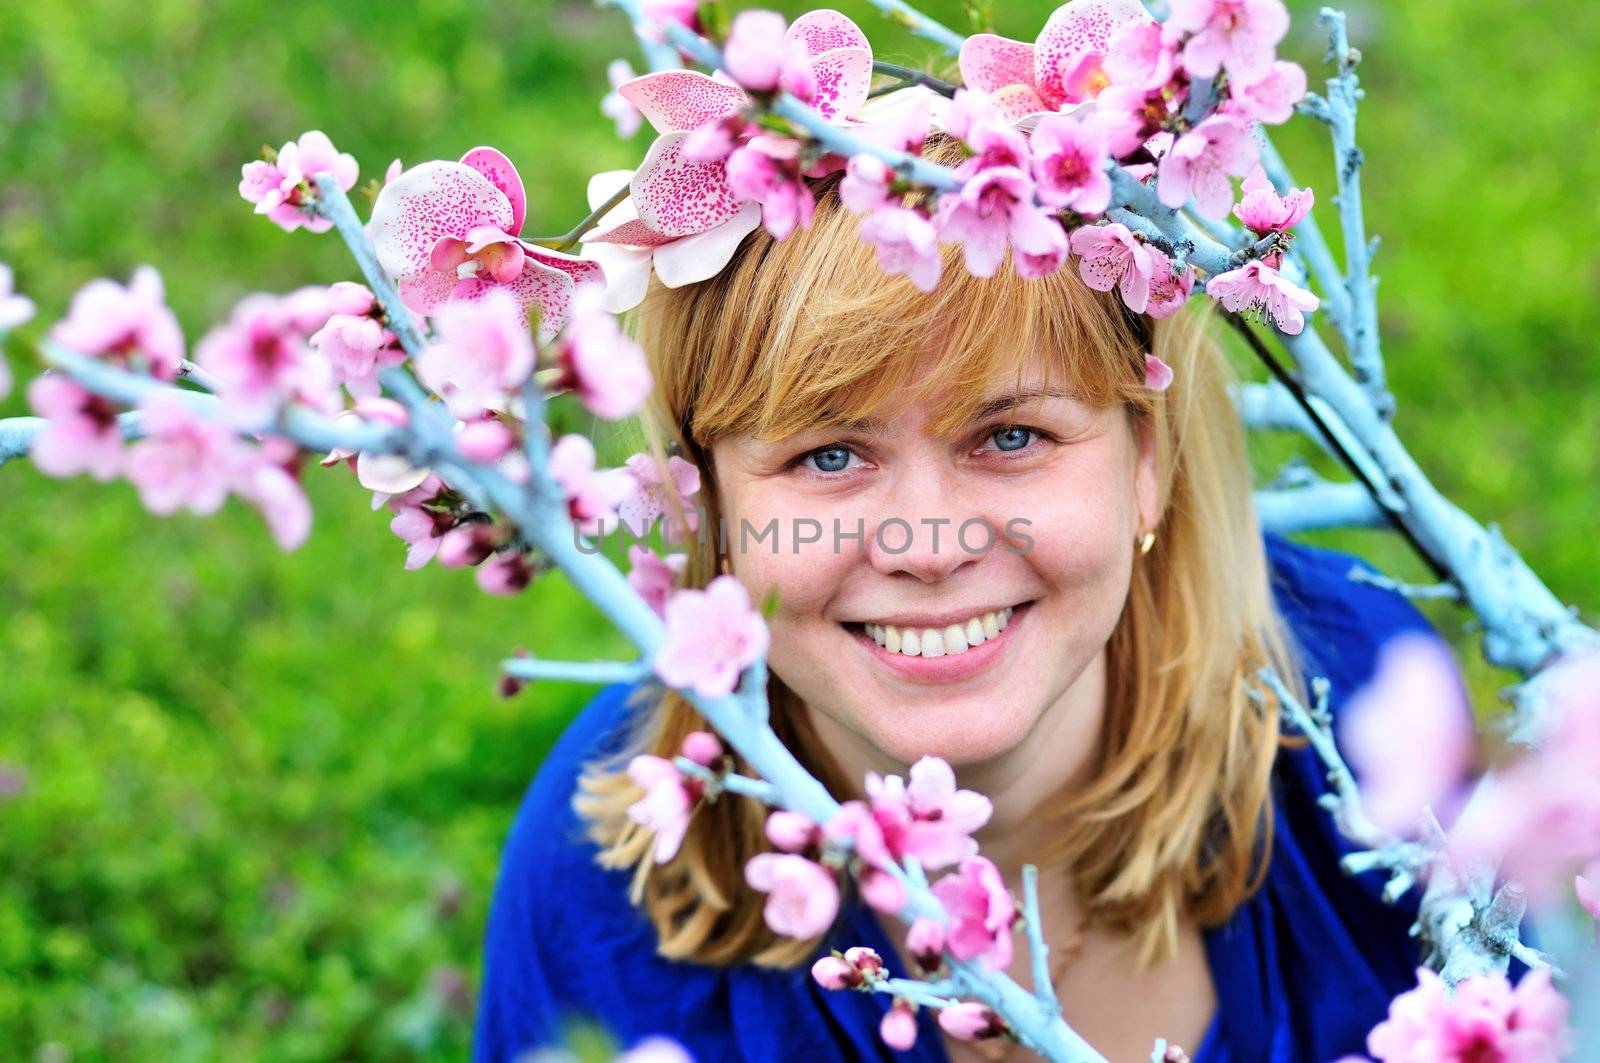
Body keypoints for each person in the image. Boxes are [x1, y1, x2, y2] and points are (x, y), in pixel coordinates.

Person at [471, 151, 1469, 1062]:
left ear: (1145, 467)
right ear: (712, 507)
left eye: (1011, 435)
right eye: (828, 455)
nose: (932, 545)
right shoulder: (606, 880)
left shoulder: (1363, 704)